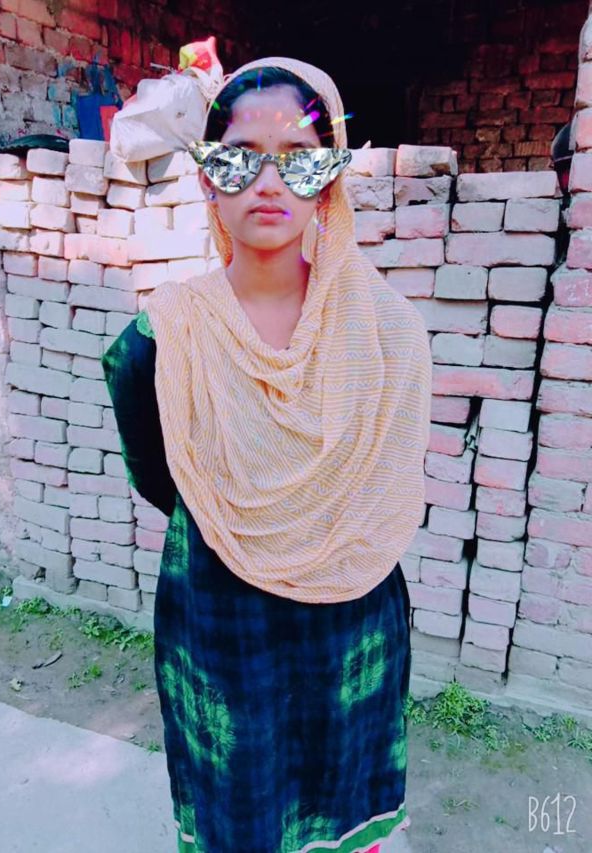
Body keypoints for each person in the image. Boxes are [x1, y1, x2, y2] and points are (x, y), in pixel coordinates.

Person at [102, 44, 432, 853]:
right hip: (222, 626)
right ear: (209, 179)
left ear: (331, 176)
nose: (269, 182)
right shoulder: (163, 337)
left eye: (298, 156)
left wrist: (292, 518)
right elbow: (162, 477)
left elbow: (391, 474)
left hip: (351, 622)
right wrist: (241, 512)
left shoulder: (387, 333)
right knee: (238, 810)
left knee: (344, 802)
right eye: (241, 157)